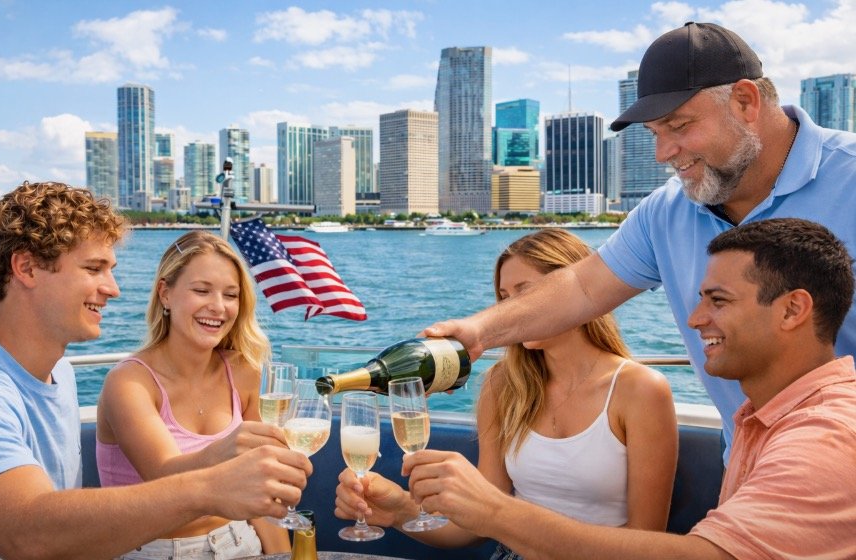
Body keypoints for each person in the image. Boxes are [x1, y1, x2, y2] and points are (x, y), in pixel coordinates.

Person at [423, 21, 856, 462]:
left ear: (746, 101)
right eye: (654, 134)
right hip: (749, 480)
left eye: (680, 126)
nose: (663, 152)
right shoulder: (664, 212)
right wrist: (480, 331)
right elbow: (583, 288)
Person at [396, 218, 856, 558]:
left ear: (793, 310)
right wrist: (401, 509)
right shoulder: (756, 419)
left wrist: (496, 512)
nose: (693, 319)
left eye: (718, 300)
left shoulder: (825, 435)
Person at [0, 182, 311, 559]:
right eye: (94, 268)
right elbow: (26, 534)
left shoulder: (59, 374)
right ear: (27, 268)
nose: (113, 289)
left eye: (110, 270)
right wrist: (209, 487)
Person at [336, 229, 678, 558]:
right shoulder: (504, 385)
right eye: (504, 298)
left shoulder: (640, 390)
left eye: (525, 294)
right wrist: (399, 508)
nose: (511, 310)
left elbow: (646, 543)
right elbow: (476, 527)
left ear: (569, 296)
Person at [95, 230, 290, 558]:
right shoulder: (129, 383)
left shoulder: (244, 372)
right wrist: (227, 450)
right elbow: (164, 480)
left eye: (231, 295)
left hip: (238, 541)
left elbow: (264, 500)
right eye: (201, 290)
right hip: (150, 550)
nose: (218, 307)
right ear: (165, 294)